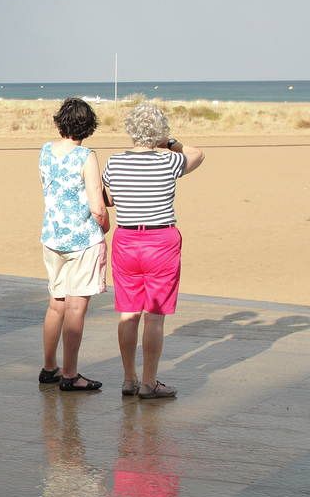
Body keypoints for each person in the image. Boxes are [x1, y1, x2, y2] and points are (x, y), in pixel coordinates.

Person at [102, 102, 205, 399]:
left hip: (127, 240)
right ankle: (149, 381)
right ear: (159, 132)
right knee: (154, 316)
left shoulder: (115, 162)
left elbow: (108, 197)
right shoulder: (169, 161)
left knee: (128, 313)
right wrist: (171, 142)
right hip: (161, 240)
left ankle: (128, 378)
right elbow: (198, 154)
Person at [37, 97, 109, 391]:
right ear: (88, 126)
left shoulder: (45, 151)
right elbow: (97, 204)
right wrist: (104, 224)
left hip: (52, 236)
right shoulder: (86, 156)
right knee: (76, 307)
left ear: (60, 122)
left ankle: (49, 366)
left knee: (57, 304)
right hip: (82, 239)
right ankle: (70, 372)